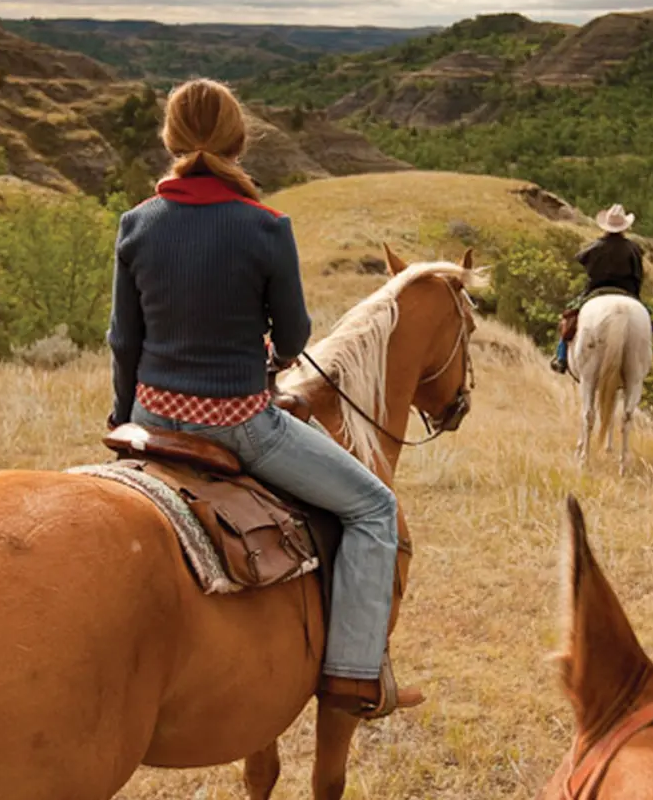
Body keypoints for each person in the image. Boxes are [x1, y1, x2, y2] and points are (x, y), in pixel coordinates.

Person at [106, 78, 422, 718]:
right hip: (239, 425)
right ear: (238, 140)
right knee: (373, 508)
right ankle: (355, 675)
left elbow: (124, 340)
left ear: (169, 140)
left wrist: (125, 417)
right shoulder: (266, 227)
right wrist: (269, 366)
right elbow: (297, 333)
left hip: (148, 419)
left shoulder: (136, 224)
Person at [550, 203, 647, 373]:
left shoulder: (596, 246)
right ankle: (643, 360)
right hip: (628, 292)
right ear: (625, 227)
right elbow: (638, 276)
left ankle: (561, 357)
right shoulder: (634, 249)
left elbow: (581, 259)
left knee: (568, 317)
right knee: (648, 323)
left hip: (595, 290)